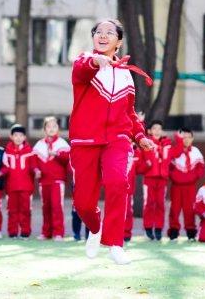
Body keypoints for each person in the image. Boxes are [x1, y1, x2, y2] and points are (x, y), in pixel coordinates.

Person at [69, 19, 155, 265]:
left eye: (109, 32)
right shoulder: (84, 60)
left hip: (117, 140)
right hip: (85, 141)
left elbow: (129, 113)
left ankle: (115, 242)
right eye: (98, 32)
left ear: (119, 41)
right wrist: (97, 62)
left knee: (118, 182)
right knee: (84, 204)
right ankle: (95, 228)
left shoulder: (127, 75)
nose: (103, 35)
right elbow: (83, 70)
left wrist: (139, 136)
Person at [33, 117, 70, 241]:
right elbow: (33, 161)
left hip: (57, 181)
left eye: (54, 126)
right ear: (44, 129)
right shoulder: (39, 144)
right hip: (44, 182)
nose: (51, 129)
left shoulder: (62, 143)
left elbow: (68, 159)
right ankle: (46, 232)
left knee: (56, 206)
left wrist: (57, 154)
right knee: (46, 207)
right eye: (48, 126)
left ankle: (58, 233)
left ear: (58, 129)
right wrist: (36, 170)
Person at [167, 129, 205, 241]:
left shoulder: (196, 151)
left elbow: (201, 168)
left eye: (189, 137)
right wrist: (174, 176)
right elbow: (169, 166)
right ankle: (173, 232)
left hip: (190, 186)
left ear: (192, 138)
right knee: (175, 209)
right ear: (180, 138)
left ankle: (191, 232)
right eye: (184, 137)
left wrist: (193, 177)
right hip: (176, 186)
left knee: (190, 209)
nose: (186, 139)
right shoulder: (175, 151)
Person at [2, 124, 38, 239]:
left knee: (26, 210)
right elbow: (4, 167)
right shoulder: (6, 151)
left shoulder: (30, 151)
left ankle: (25, 232)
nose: (18, 137)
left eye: (21, 135)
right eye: (15, 135)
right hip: (11, 187)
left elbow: (34, 166)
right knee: (12, 211)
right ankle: (12, 232)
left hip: (26, 187)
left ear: (24, 137)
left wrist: (36, 170)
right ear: (11, 136)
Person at [143, 120, 172, 240]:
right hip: (149, 178)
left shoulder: (167, 144)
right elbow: (142, 159)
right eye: (154, 128)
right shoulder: (146, 143)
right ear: (150, 131)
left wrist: (180, 139)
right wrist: (147, 165)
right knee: (149, 204)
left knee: (160, 204)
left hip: (162, 178)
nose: (157, 131)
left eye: (159, 129)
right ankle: (148, 227)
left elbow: (174, 155)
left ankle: (159, 228)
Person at [124, 144, 152, 242]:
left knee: (127, 211)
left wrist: (148, 164)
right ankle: (112, 233)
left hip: (129, 188)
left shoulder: (137, 152)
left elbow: (139, 169)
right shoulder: (116, 148)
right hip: (114, 187)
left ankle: (126, 234)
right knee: (114, 210)